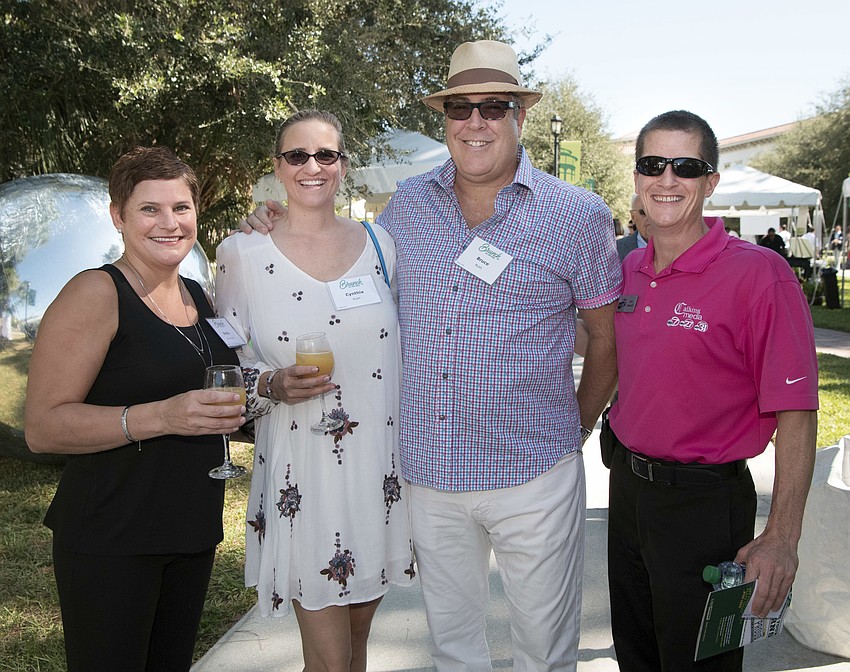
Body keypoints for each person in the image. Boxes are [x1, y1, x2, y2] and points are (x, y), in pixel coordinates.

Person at [242, 40, 621, 672]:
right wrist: (275, 221)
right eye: (460, 108)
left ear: (518, 116)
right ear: (444, 120)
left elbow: (606, 340)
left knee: (544, 652)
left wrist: (573, 429)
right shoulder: (407, 207)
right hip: (430, 473)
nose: (475, 122)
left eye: (493, 107)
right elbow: (337, 255)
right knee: (453, 650)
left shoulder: (577, 214)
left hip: (534, 472)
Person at [606, 110, 818, 672]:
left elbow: (797, 413)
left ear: (710, 181)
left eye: (686, 166)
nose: (667, 179)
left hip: (704, 508)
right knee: (637, 656)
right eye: (653, 164)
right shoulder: (627, 271)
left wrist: (781, 538)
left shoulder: (760, 275)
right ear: (637, 177)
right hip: (627, 495)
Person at [24, 147, 246, 672]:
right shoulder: (96, 292)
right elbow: (43, 427)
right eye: (150, 209)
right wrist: (161, 416)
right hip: (113, 536)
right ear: (118, 216)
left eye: (181, 207)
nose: (169, 223)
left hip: (191, 530)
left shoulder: (198, 295)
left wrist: (274, 389)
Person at [215, 110, 415, 672]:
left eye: (325, 155)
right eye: (297, 155)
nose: (312, 166)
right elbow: (224, 369)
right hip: (303, 476)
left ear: (343, 166)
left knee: (355, 649)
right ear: (278, 166)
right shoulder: (242, 253)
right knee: (328, 661)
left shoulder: (381, 245)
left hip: (378, 472)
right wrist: (272, 383)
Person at [617, 193, 650, 261]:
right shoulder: (616, 250)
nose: (651, 218)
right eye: (644, 212)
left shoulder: (676, 248)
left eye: (656, 212)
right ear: (633, 217)